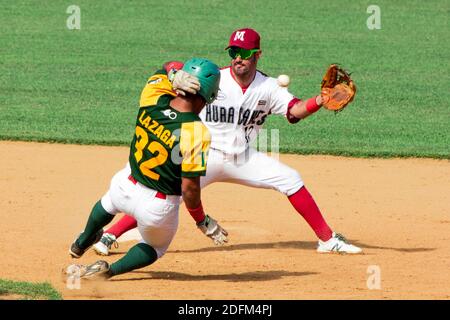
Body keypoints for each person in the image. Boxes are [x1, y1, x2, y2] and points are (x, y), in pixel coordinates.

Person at [94, 27, 362, 257]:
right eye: (234, 52)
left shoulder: (269, 87)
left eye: (244, 53)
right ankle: (110, 234)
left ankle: (327, 240)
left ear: (257, 55)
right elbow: (176, 89)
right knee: (171, 192)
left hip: (243, 158)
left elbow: (294, 111)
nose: (238, 58)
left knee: (291, 179)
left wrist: (320, 100)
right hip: (205, 155)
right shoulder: (213, 79)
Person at [66, 58, 225, 279]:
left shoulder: (153, 96)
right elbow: (190, 189)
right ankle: (108, 271)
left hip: (124, 187)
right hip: (157, 209)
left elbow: (167, 65)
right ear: (209, 93)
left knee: (108, 202)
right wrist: (201, 220)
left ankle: (81, 242)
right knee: (156, 247)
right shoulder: (197, 132)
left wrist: (172, 74)